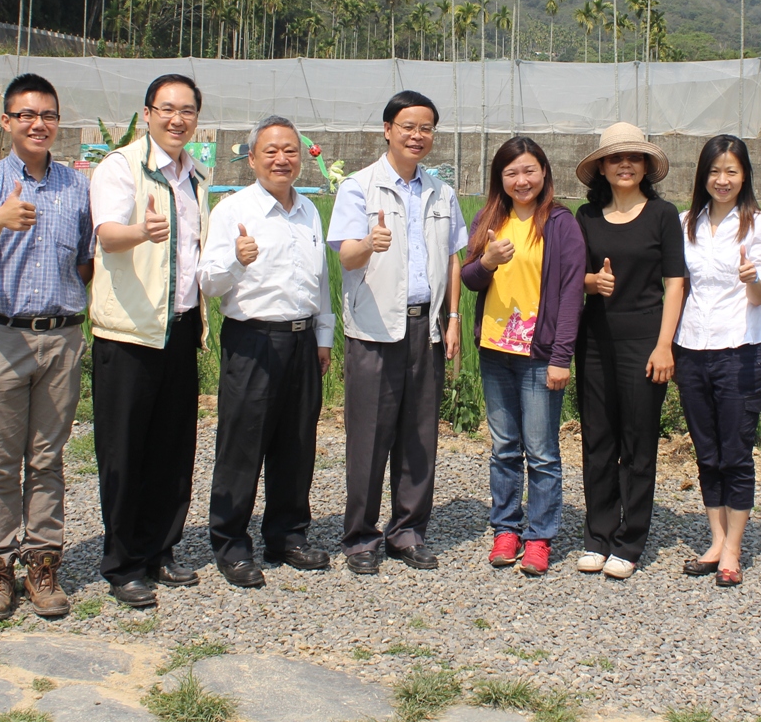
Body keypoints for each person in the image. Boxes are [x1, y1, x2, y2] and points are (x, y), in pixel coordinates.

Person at [0, 73, 94, 621]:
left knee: (47, 459)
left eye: (48, 115)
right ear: (8, 122)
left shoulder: (76, 187)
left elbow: (86, 260)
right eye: (27, 115)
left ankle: (42, 565)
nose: (39, 124)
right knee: (0, 460)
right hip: (2, 336)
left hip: (61, 337)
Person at [327, 90, 467, 575]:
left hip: (426, 327)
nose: (417, 135)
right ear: (387, 130)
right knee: (369, 438)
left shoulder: (441, 192)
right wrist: (370, 242)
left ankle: (407, 532)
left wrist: (453, 318)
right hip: (374, 329)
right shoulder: (359, 187)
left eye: (426, 127)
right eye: (408, 126)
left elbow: (453, 257)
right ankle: (361, 538)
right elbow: (346, 256)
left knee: (419, 437)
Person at [88, 73, 210, 608]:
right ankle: (123, 563)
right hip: (129, 333)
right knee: (124, 451)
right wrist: (142, 231)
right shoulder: (121, 167)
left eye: (187, 111)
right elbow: (108, 234)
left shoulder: (196, 176)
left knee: (172, 448)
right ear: (147, 114)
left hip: (180, 328)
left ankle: (161, 548)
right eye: (167, 109)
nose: (177, 119)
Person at [198, 116, 334, 588]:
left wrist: (323, 337)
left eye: (290, 150)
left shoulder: (309, 211)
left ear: (301, 157)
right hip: (252, 340)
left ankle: (287, 535)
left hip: (302, 340)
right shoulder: (233, 210)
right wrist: (236, 260)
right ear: (252, 159)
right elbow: (208, 282)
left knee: (296, 444)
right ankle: (231, 544)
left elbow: (320, 280)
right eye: (271, 151)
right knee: (242, 445)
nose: (282, 159)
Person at [460, 137, 586, 577]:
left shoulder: (561, 224)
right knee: (504, 448)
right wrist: (487, 261)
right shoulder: (489, 219)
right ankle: (506, 529)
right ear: (501, 178)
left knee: (542, 451)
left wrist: (561, 357)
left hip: (539, 354)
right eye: (511, 172)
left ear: (544, 172)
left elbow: (571, 294)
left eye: (529, 170)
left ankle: (539, 536)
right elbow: (469, 278)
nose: (521, 180)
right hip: (495, 351)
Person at [572, 122, 686, 580]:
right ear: (601, 167)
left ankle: (629, 539)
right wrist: (592, 282)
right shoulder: (586, 217)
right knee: (597, 440)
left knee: (638, 442)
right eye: (615, 158)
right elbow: (572, 277)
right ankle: (598, 535)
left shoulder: (663, 215)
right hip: (594, 340)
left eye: (634, 157)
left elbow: (675, 283)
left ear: (645, 167)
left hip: (645, 341)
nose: (625, 165)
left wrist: (664, 344)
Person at [674, 134, 761, 588]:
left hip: (739, 349)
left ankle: (733, 547)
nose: (722, 180)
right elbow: (678, 286)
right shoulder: (685, 223)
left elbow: (760, 296)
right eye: (715, 171)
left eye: (731, 171)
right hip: (691, 348)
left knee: (735, 453)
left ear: (744, 175)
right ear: (703, 175)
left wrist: (752, 277)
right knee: (706, 451)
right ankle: (715, 540)